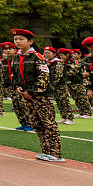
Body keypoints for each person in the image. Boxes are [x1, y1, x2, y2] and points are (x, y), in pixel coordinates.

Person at [9, 29, 64, 162]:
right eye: (16, 39)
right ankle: (46, 150)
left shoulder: (37, 57)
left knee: (48, 123)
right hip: (26, 95)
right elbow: (15, 75)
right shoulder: (16, 57)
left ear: (30, 41)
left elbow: (44, 78)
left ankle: (56, 153)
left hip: (40, 96)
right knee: (37, 123)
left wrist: (31, 92)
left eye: (21, 39)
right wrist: (18, 87)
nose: (17, 41)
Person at [1, 42, 32, 131]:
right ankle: (23, 123)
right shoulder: (3, 62)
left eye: (10, 49)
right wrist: (6, 86)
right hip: (11, 87)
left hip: (20, 86)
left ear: (15, 50)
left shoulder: (18, 59)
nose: (8, 51)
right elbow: (4, 74)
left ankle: (30, 124)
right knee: (16, 106)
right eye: (6, 49)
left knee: (24, 105)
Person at [45, 47, 75, 125]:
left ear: (54, 54)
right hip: (52, 85)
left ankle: (70, 118)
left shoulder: (58, 63)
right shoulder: (46, 63)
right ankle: (64, 117)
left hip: (60, 85)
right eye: (45, 53)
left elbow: (58, 75)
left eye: (48, 53)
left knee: (64, 101)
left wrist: (52, 85)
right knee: (59, 102)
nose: (46, 55)